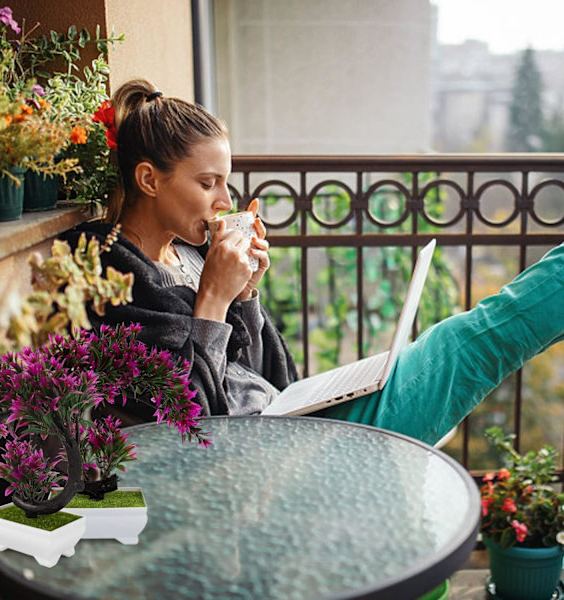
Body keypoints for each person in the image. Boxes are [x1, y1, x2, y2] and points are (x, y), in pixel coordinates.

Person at [65, 78, 564, 446]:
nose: (225, 200)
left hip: (288, 422)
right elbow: (187, 419)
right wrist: (215, 298)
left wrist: (245, 297)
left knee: (455, 342)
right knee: (470, 340)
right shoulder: (114, 272)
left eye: (225, 181)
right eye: (207, 182)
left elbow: (274, 377)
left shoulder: (192, 253)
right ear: (150, 180)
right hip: (260, 456)